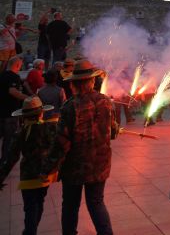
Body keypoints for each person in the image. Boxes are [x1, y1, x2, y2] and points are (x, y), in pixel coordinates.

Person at [40, 59, 118, 235]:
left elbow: (61, 142)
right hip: (100, 163)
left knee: (70, 205)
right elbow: (113, 132)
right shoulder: (106, 101)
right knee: (96, 202)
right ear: (91, 81)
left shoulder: (70, 107)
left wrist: (47, 167)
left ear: (74, 83)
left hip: (74, 167)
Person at [0, 96, 58, 235]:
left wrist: (1, 177)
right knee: (39, 204)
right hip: (45, 175)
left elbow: (12, 158)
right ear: (41, 113)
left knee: (30, 208)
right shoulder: (49, 128)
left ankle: (29, 231)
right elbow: (56, 148)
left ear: (24, 116)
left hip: (28, 177)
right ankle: (30, 231)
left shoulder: (20, 133)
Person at [0, 56, 29, 164]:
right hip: (10, 113)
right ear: (17, 65)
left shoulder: (1, 75)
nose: (20, 68)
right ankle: (4, 164)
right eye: (20, 66)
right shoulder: (13, 77)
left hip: (1, 112)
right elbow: (13, 91)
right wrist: (29, 98)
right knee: (9, 140)